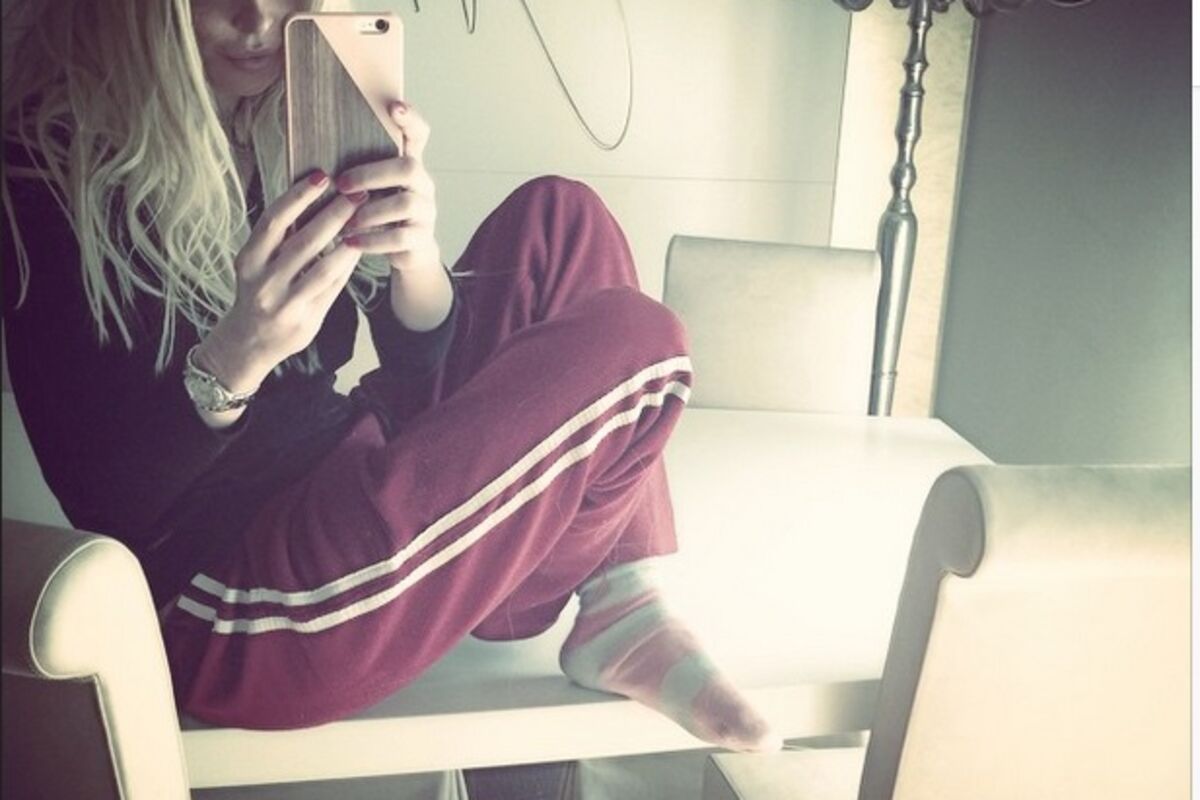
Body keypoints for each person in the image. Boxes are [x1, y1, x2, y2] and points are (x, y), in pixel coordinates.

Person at [2, 0, 779, 752]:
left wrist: (414, 258)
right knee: (639, 339)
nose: (259, 19)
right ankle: (592, 604)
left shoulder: (284, 116)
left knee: (561, 218)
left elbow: (415, 362)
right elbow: (105, 503)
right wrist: (237, 357)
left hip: (343, 477)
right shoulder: (46, 166)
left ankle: (619, 598)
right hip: (238, 603)